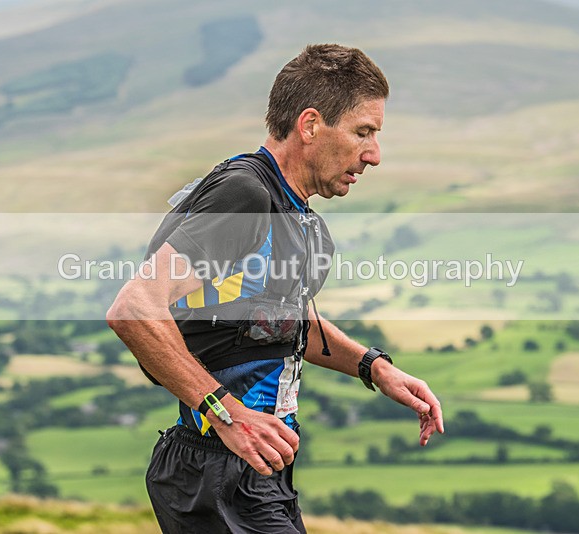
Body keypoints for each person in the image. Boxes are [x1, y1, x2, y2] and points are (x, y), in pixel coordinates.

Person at [106, 43, 445, 534]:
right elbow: (134, 308)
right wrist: (228, 413)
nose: (374, 154)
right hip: (216, 469)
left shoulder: (289, 210)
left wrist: (375, 368)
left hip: (254, 467)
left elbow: (280, 320)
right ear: (310, 126)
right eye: (363, 132)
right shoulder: (245, 196)